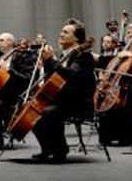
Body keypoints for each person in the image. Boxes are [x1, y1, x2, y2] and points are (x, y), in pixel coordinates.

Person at [31, 18, 96, 162]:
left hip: (78, 102)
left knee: (48, 112)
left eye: (65, 32)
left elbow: (71, 75)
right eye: (61, 31)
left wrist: (51, 61)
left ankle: (60, 151)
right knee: (31, 112)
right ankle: (47, 149)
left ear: (77, 38)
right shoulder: (63, 55)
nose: (61, 34)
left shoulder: (83, 55)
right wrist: (47, 63)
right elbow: (54, 77)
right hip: (62, 99)